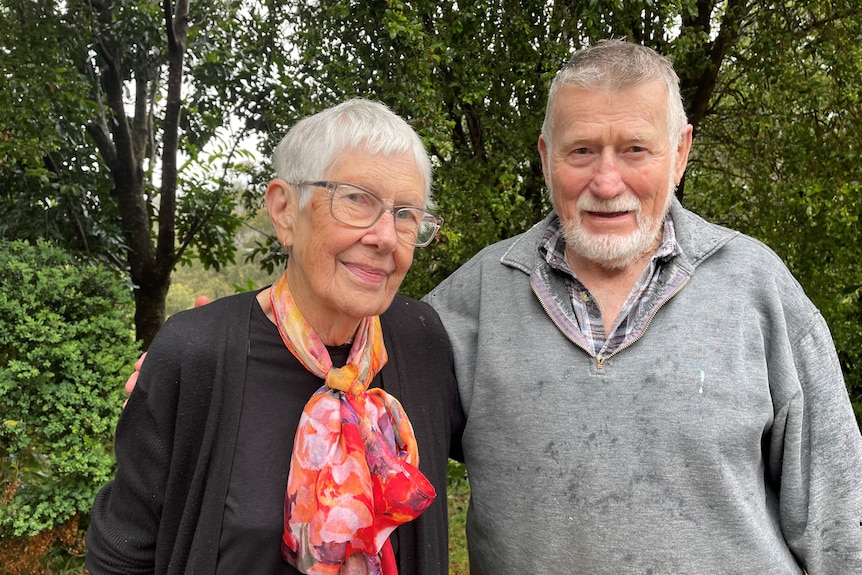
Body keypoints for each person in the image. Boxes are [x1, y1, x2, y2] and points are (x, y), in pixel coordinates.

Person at [423, 39, 862, 574]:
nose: (607, 183)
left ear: (680, 153)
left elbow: (837, 513)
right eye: (581, 150)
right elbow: (359, 428)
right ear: (545, 157)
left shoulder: (758, 287)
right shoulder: (474, 299)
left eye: (636, 149)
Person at [85, 98, 465, 575]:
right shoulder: (196, 353)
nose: (386, 236)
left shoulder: (422, 339)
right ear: (285, 210)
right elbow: (122, 553)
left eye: (406, 213)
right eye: (356, 199)